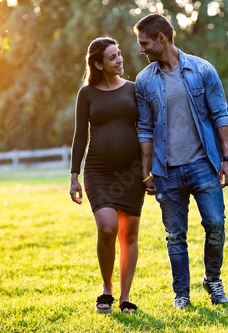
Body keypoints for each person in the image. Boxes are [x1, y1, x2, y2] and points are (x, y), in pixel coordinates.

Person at [133, 14, 228, 309]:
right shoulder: (144, 81)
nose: (141, 50)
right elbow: (144, 128)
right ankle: (182, 294)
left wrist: (226, 159)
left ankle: (212, 280)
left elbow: (220, 116)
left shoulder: (202, 70)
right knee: (175, 235)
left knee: (215, 224)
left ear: (161, 39)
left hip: (204, 164)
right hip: (166, 171)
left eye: (144, 43)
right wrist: (146, 171)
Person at [69, 37, 145, 314]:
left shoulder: (135, 90)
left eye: (119, 54)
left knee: (129, 233)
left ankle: (125, 297)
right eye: (112, 57)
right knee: (107, 227)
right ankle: (107, 288)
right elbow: (80, 137)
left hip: (132, 171)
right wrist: (74, 175)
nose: (120, 60)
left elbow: (147, 130)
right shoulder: (87, 94)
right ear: (98, 64)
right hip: (99, 171)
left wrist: (149, 170)